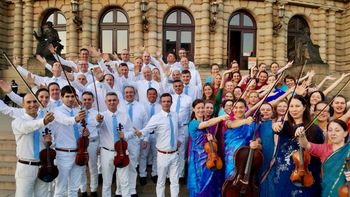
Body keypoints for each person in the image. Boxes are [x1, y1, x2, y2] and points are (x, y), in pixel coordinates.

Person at [270, 95, 324, 196]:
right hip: (283, 173)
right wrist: (274, 126)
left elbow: (319, 152)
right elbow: (275, 128)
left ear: (304, 107)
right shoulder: (283, 126)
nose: (294, 109)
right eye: (291, 106)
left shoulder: (314, 129)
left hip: (305, 174)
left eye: (297, 106)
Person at [135, 93, 185, 197]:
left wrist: (180, 139)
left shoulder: (175, 115)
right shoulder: (156, 117)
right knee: (161, 181)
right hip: (162, 155)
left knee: (175, 181)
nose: (166, 103)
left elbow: (180, 128)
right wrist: (140, 133)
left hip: (174, 154)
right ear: (161, 103)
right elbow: (147, 129)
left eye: (168, 101)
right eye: (164, 101)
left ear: (171, 103)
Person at [12, 93, 55, 197]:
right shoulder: (18, 121)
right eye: (28, 102)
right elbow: (27, 127)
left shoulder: (45, 122)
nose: (32, 104)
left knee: (43, 195)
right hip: (26, 166)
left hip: (43, 166)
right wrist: (43, 121)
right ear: (23, 105)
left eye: (35, 101)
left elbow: (52, 142)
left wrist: (49, 141)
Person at [50, 85, 89, 197]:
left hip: (79, 153)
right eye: (67, 96)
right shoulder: (56, 111)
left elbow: (80, 129)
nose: (70, 99)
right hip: (63, 154)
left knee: (74, 188)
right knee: (60, 188)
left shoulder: (78, 110)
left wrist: (85, 133)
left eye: (72, 96)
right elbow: (66, 121)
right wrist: (76, 118)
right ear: (62, 97)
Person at [295, 119, 349, 196]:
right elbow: (305, 144)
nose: (333, 133)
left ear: (345, 133)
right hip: (327, 190)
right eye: (330, 130)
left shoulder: (349, 149)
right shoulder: (323, 149)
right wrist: (302, 135)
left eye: (337, 130)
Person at [187, 99, 229, 197]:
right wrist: (221, 117)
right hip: (199, 156)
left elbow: (209, 135)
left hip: (209, 154)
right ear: (193, 109)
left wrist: (212, 140)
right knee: (201, 180)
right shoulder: (193, 123)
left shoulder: (204, 122)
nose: (201, 110)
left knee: (211, 179)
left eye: (202, 108)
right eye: (198, 108)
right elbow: (207, 123)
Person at [96, 92, 134, 197]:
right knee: (107, 182)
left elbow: (131, 132)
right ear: (105, 102)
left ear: (118, 101)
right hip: (107, 152)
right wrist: (98, 121)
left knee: (125, 182)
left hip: (122, 151)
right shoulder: (101, 116)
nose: (112, 102)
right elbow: (97, 128)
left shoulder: (124, 115)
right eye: (109, 100)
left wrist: (125, 135)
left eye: (114, 100)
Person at [224, 99, 255, 179]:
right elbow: (232, 125)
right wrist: (245, 121)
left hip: (245, 155)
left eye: (241, 107)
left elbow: (257, 137)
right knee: (231, 177)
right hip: (231, 156)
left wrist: (257, 143)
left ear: (245, 108)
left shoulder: (251, 123)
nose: (238, 110)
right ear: (233, 109)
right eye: (236, 108)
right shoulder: (228, 121)